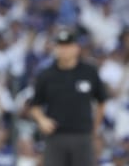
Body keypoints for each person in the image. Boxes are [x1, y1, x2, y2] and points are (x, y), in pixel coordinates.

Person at [29, 29, 107, 166]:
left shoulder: (89, 72)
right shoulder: (46, 75)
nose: (63, 50)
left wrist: (94, 128)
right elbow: (35, 106)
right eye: (60, 46)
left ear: (76, 48)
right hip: (55, 136)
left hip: (82, 136)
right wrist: (42, 119)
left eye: (67, 46)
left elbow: (101, 101)